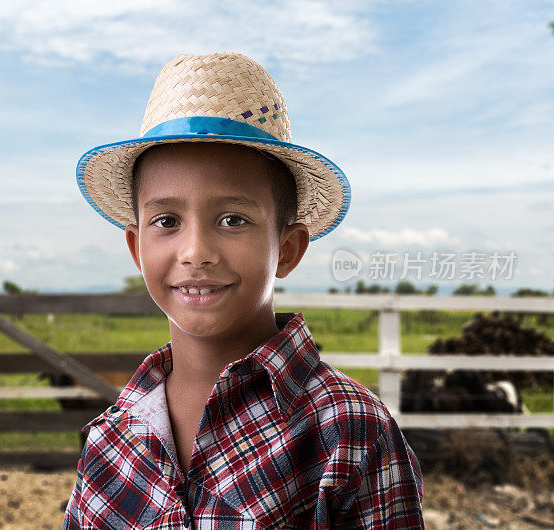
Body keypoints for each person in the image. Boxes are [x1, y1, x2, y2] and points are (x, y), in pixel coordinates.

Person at [63, 52, 423, 529]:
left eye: (233, 219)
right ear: (136, 246)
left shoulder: (348, 432)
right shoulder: (113, 442)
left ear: (289, 248)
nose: (195, 251)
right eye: (166, 221)